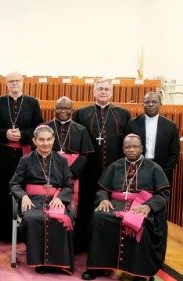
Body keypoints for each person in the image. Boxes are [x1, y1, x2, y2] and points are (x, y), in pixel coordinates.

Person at [82, 134, 169, 281]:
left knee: (143, 222)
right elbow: (102, 189)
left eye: (135, 146)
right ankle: (97, 267)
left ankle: (139, 272)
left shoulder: (154, 168)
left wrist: (149, 206)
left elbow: (163, 194)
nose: (132, 150)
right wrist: (103, 200)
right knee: (99, 218)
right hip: (115, 205)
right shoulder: (115, 166)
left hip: (141, 206)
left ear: (141, 148)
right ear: (123, 149)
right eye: (128, 147)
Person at [73, 79, 131, 252]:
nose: (103, 92)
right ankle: (82, 244)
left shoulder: (123, 114)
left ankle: (108, 247)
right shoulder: (82, 113)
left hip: (114, 171)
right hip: (88, 170)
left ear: (111, 92)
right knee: (85, 207)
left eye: (107, 89)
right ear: (94, 92)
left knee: (110, 209)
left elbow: (127, 144)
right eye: (100, 89)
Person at [9, 125, 75, 275]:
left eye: (49, 139)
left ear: (53, 140)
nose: (45, 143)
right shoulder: (25, 160)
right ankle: (39, 261)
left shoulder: (61, 160)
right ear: (34, 141)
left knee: (62, 218)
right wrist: (23, 196)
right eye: (41, 140)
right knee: (33, 218)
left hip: (55, 200)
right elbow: (14, 183)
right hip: (32, 200)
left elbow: (68, 184)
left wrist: (61, 198)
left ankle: (57, 263)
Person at [0, 71, 43, 242]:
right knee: (2, 189)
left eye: (17, 80)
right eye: (11, 81)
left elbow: (38, 127)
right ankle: (3, 233)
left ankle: (24, 233)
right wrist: (5, 133)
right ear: (6, 83)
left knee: (24, 188)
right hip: (3, 153)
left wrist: (23, 135)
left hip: (24, 153)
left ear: (22, 81)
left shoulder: (32, 103)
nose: (14, 84)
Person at [44, 96, 94, 209]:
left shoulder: (81, 129)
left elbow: (85, 154)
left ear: (72, 110)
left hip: (73, 171)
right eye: (60, 108)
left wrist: (71, 173)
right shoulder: (45, 127)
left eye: (67, 108)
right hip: (50, 170)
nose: (63, 111)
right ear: (54, 109)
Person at [125, 91, 180, 184]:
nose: (150, 104)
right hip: (136, 168)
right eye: (147, 102)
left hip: (162, 169)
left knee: (160, 197)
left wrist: (164, 171)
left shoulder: (171, 126)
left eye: (154, 102)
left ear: (160, 104)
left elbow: (174, 152)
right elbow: (125, 147)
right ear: (143, 104)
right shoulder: (132, 123)